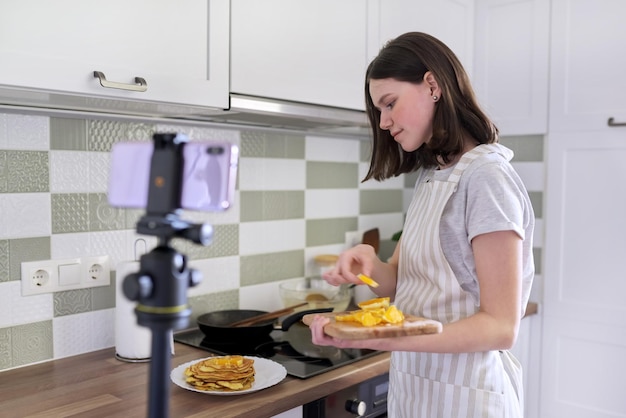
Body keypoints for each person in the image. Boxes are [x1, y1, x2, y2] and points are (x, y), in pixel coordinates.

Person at [308, 32, 535, 418]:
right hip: (416, 389)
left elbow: (500, 326)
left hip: (467, 397)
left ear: (432, 85)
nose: (383, 122)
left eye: (390, 103)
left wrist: (386, 337)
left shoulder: (486, 179)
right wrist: (369, 268)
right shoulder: (434, 175)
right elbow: (399, 280)